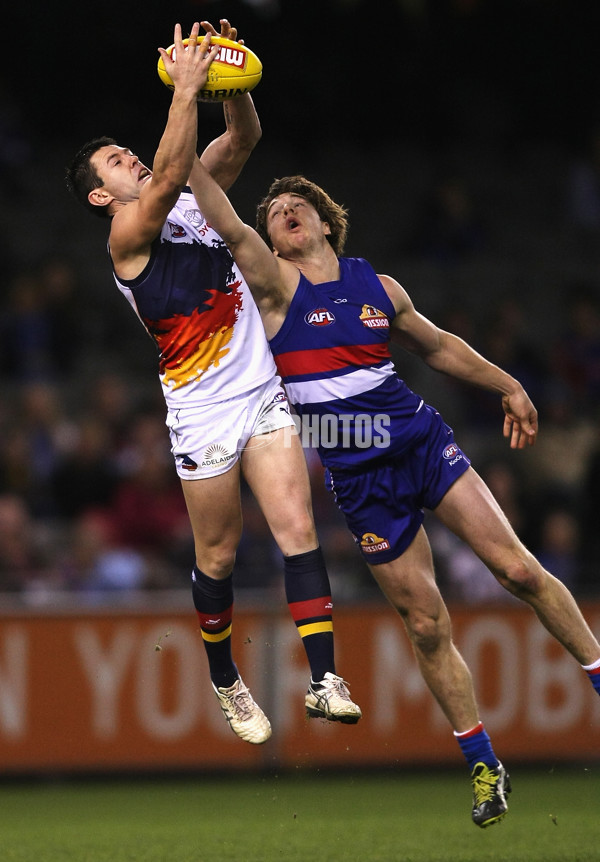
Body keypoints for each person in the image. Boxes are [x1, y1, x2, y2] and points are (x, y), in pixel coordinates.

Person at [187, 163, 600, 827]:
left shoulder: (377, 286)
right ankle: (482, 763)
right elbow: (225, 219)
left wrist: (508, 385)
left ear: (325, 222)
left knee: (519, 569)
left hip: (418, 440)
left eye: (298, 205)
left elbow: (438, 348)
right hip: (359, 475)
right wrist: (194, 136)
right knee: (428, 622)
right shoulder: (274, 286)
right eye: (274, 212)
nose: (284, 212)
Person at [65, 21, 361, 746]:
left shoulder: (190, 202)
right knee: (219, 557)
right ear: (102, 197)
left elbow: (243, 140)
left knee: (297, 528)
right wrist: (187, 86)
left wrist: (231, 82)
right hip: (199, 413)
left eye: (123, 150)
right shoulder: (126, 237)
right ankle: (226, 677)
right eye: (113, 161)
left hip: (260, 392)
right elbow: (168, 173)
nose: (126, 158)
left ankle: (324, 678)